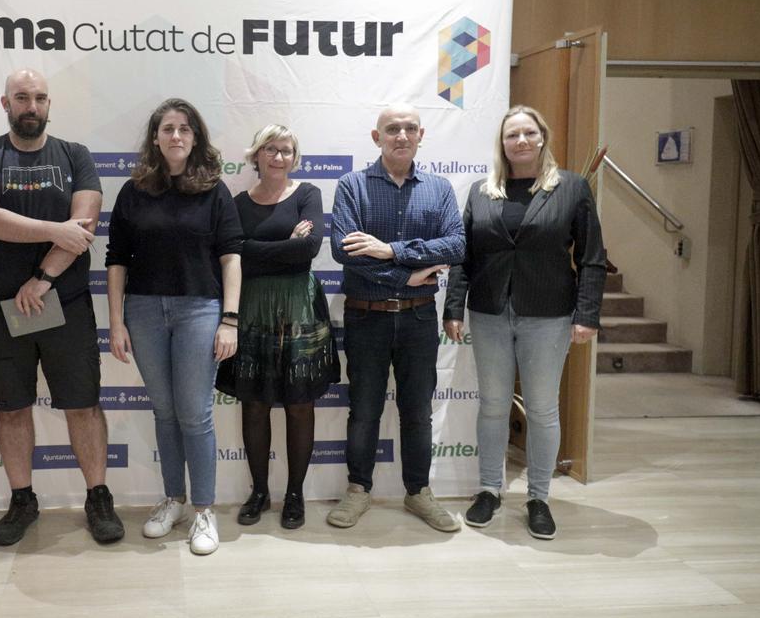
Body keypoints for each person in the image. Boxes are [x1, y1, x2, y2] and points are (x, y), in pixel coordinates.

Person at [0, 68, 123, 546]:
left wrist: (43, 278)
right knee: (13, 408)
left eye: (40, 98)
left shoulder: (75, 155)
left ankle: (98, 497)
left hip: (64, 304)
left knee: (83, 405)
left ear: (50, 105)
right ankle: (23, 499)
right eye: (22, 98)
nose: (32, 106)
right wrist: (55, 229)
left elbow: (84, 223)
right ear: (5, 103)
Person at [443, 105, 606, 540]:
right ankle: (489, 490)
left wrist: (587, 314)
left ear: (542, 137)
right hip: (490, 311)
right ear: (502, 143)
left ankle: (538, 497)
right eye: (512, 134)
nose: (520, 141)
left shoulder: (571, 188)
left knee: (541, 408)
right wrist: (453, 308)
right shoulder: (482, 191)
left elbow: (591, 257)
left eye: (528, 133)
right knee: (493, 406)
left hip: (549, 315)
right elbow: (464, 257)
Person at [106, 98, 242, 555]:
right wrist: (115, 322)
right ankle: (174, 499)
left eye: (185, 128)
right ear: (155, 137)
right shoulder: (134, 191)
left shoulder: (214, 191)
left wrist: (230, 320)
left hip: (199, 311)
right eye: (167, 128)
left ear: (196, 137)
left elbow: (231, 258)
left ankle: (204, 510)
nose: (176, 136)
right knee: (164, 412)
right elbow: (116, 261)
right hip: (143, 312)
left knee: (195, 414)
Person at [326, 102, 465, 533]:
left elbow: (456, 247)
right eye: (392, 129)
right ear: (377, 137)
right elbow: (343, 251)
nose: (401, 135)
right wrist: (412, 276)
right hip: (366, 317)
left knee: (416, 411)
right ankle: (358, 489)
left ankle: (418, 492)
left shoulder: (439, 188)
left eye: (409, 128)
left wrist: (390, 251)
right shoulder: (352, 186)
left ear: (421, 135)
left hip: (420, 321)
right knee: (364, 408)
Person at [215, 124, 338, 529]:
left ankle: (296, 495)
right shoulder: (236, 202)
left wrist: (261, 249)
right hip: (251, 310)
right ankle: (259, 492)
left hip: (299, 308)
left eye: (286, 150)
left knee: (301, 405)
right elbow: (235, 255)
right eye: (270, 149)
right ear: (256, 155)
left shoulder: (307, 195)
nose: (278, 156)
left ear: (294, 157)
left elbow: (308, 249)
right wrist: (283, 245)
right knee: (255, 403)